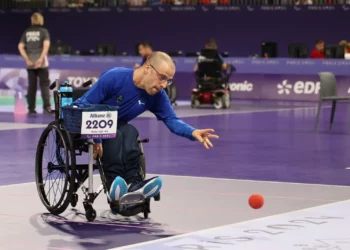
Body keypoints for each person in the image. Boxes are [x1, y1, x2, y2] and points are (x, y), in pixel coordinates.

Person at [74, 51, 219, 211]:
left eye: (168, 81)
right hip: (85, 121)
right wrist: (96, 137)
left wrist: (193, 132)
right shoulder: (115, 77)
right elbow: (85, 105)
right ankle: (114, 188)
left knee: (129, 132)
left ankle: (133, 184)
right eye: (162, 77)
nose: (164, 85)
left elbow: (171, 119)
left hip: (116, 126)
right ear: (148, 68)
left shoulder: (157, 95)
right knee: (113, 133)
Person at [18, 12, 52, 115]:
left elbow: (20, 46)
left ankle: (31, 109)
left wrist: (27, 59)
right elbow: (46, 46)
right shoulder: (44, 31)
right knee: (44, 85)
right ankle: (47, 108)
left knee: (31, 86)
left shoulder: (27, 32)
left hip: (30, 63)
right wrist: (41, 59)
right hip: (41, 63)